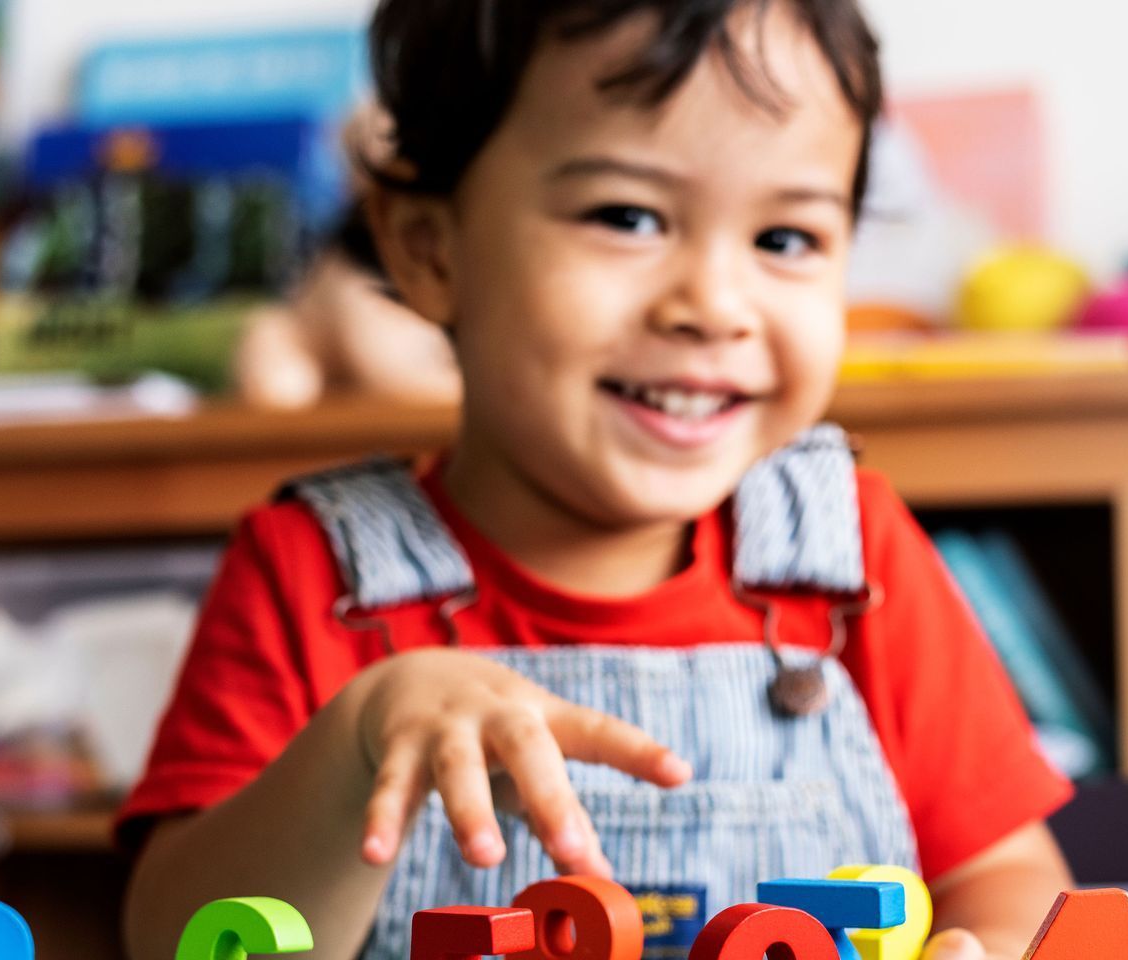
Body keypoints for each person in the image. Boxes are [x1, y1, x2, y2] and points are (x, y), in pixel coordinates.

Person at [118, 2, 1076, 959]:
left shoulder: (848, 560)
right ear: (427, 248)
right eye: (627, 216)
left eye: (785, 239)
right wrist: (358, 744)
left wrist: (982, 945)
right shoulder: (313, 575)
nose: (713, 306)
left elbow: (1007, 877)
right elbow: (174, 940)